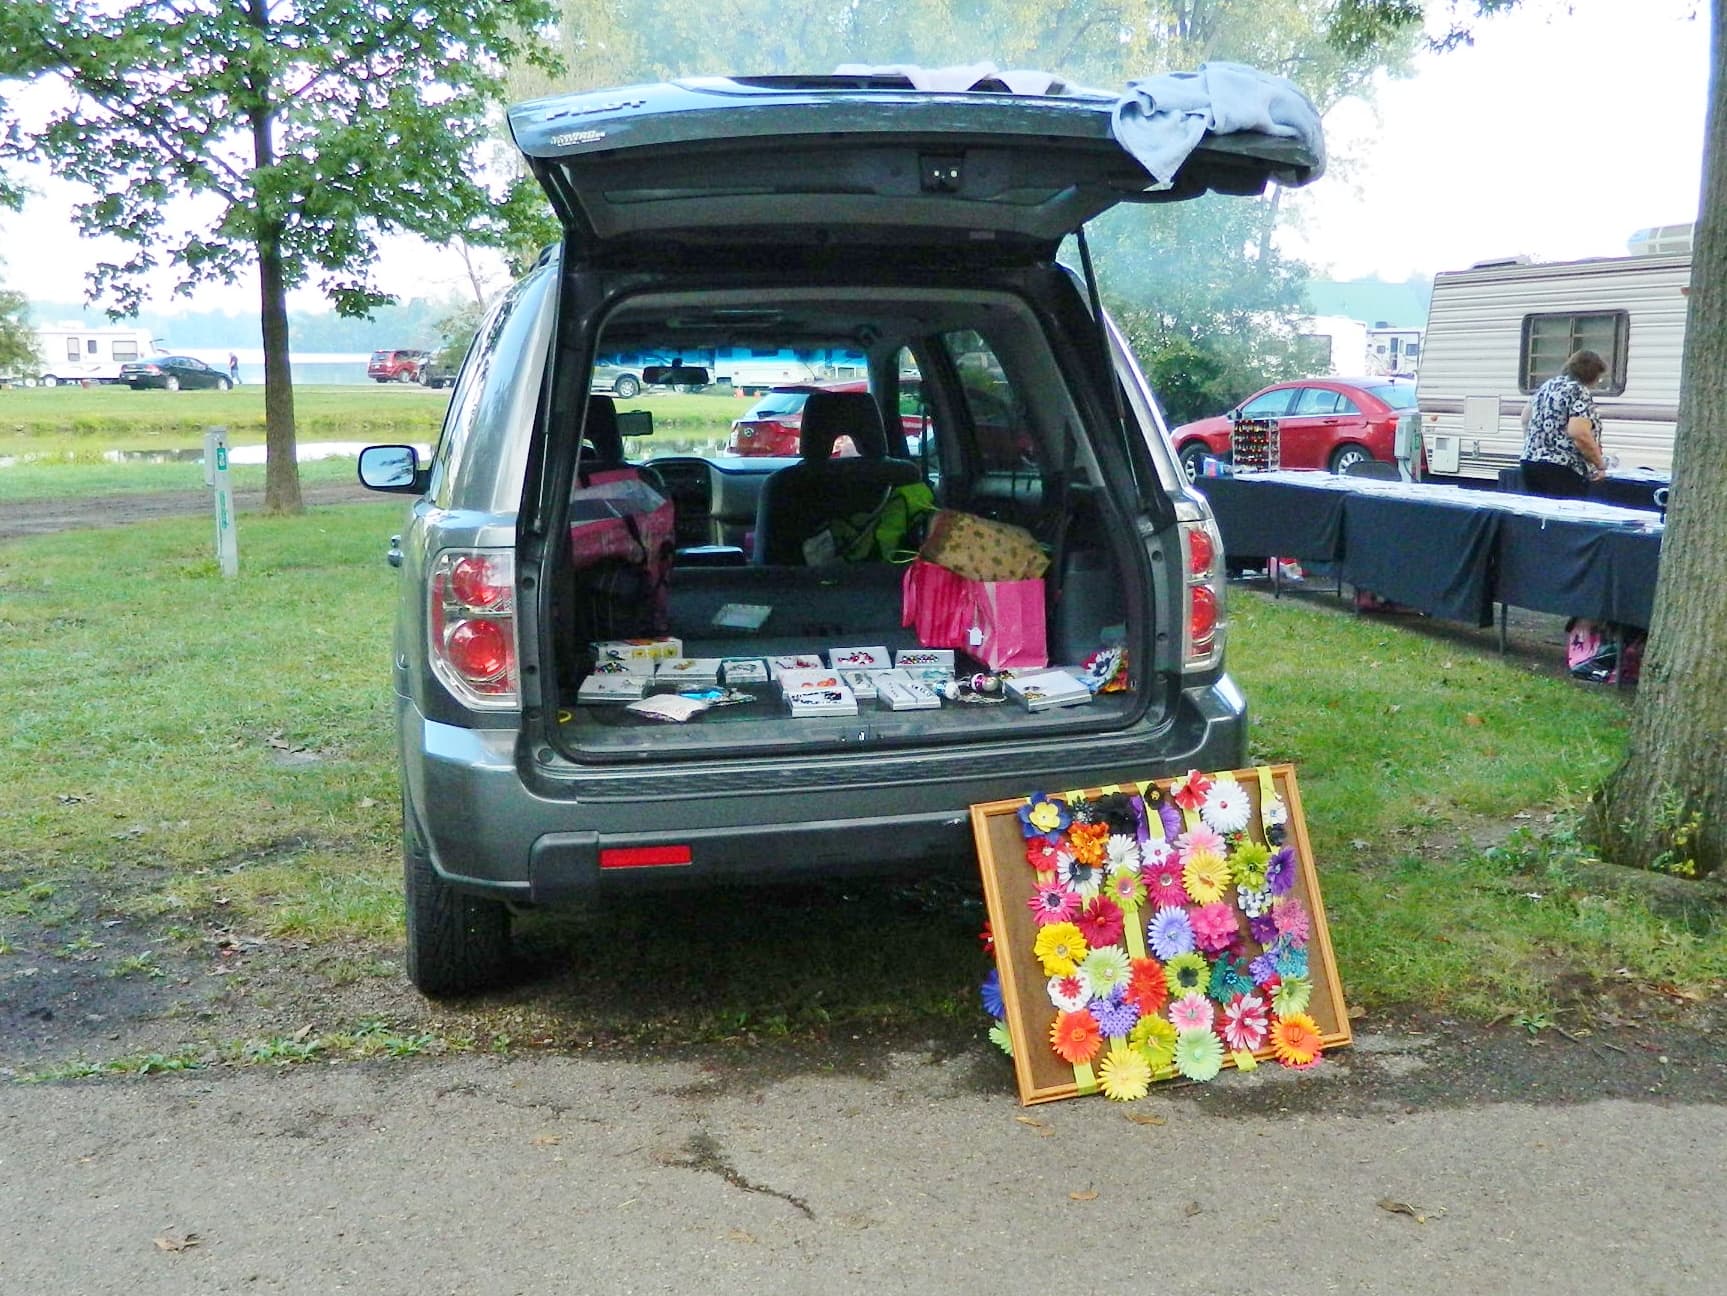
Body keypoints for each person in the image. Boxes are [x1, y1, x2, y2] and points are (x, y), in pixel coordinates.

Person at [1518, 349, 1610, 497]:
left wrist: (1536, 446)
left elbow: (1525, 418)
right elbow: (1578, 433)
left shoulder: (1548, 386)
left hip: (1530, 463)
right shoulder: (1578, 390)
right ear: (1592, 375)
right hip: (1562, 468)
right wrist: (1600, 464)